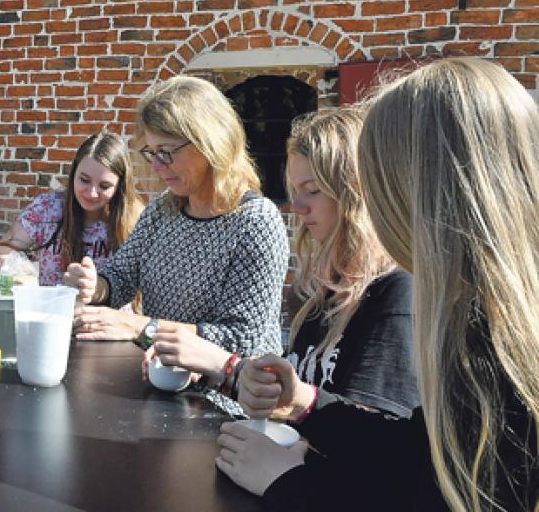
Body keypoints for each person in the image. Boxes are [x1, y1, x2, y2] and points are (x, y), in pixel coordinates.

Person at [218, 58, 539, 512]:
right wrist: (308, 404)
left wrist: (288, 484)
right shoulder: (485, 307)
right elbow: (420, 452)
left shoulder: (481, 335)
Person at [158, 107, 419, 419]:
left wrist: (224, 365)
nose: (296, 206)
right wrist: (220, 371)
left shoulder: (397, 292)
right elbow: (295, 405)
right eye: (296, 191)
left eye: (312, 191)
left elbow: (372, 435)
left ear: (356, 193)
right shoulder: (323, 290)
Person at [64, 75, 289, 415]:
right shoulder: (163, 209)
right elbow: (122, 276)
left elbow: (242, 339)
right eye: (151, 152)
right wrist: (95, 286)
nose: (156, 166)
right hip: (165, 394)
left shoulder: (255, 220)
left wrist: (144, 327)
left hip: (230, 410)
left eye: (166, 153)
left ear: (210, 142)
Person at [0, 131, 144, 331]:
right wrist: (16, 267)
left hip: (109, 335)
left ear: (120, 187)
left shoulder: (136, 219)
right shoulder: (47, 210)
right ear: (73, 173)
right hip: (49, 328)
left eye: (104, 186)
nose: (92, 192)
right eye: (84, 180)